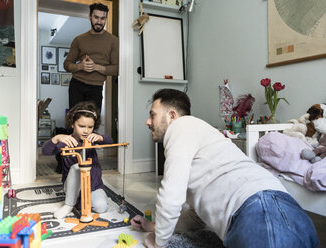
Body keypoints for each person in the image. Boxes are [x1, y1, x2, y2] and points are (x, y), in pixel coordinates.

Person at [131, 89, 319, 248]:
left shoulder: (181, 126)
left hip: (260, 212)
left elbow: (171, 193)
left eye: (152, 114)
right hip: (285, 212)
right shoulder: (204, 145)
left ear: (172, 115)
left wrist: (158, 241)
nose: (148, 122)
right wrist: (153, 226)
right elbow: (198, 218)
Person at [42, 101, 113, 219]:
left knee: (101, 207)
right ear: (72, 124)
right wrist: (56, 138)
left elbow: (110, 141)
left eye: (90, 127)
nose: (86, 131)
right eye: (81, 126)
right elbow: (46, 151)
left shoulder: (93, 137)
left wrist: (101, 137)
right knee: (77, 167)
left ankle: (80, 201)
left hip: (93, 185)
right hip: (72, 186)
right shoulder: (66, 141)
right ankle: (69, 204)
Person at [63, 3, 119, 111]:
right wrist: (80, 66)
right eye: (96, 17)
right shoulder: (79, 39)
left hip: (96, 88)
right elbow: (66, 64)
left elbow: (116, 69)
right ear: (90, 16)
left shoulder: (113, 41)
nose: (99, 22)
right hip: (76, 85)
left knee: (92, 121)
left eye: (103, 18)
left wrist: (96, 67)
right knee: (75, 121)